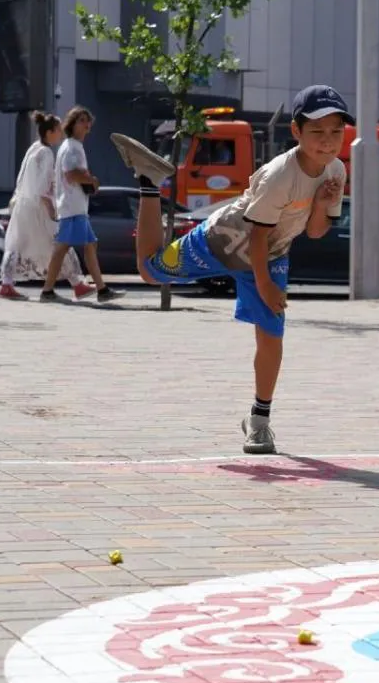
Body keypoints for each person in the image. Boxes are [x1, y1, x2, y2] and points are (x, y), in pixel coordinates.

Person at [107, 86, 350, 454]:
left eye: (336, 132)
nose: (328, 142)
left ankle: (259, 422)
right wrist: (265, 286)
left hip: (273, 254)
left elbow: (315, 232)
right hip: (226, 238)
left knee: (272, 337)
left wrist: (322, 203)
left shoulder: (336, 171)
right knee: (150, 270)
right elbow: (255, 235)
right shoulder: (279, 174)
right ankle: (150, 182)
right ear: (297, 132)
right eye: (317, 132)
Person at [0, 112, 94, 301]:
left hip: (23, 205)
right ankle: (77, 284)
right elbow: (42, 187)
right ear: (49, 132)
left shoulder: (34, 148)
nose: (60, 134)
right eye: (58, 130)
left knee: (17, 243)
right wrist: (51, 209)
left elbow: (23, 178)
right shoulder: (47, 153)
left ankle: (6, 284)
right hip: (38, 208)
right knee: (60, 244)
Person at [41, 106, 121, 303]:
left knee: (87, 245)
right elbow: (71, 174)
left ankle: (100, 290)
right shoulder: (71, 147)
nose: (86, 124)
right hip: (72, 206)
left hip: (74, 206)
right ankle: (48, 291)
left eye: (87, 120)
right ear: (72, 124)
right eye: (81, 120)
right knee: (63, 249)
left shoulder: (71, 146)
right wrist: (92, 181)